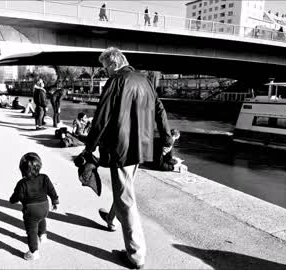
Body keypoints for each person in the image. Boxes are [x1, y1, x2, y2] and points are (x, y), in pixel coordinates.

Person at [79, 47, 172, 269]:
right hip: (142, 146)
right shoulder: (145, 80)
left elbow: (101, 117)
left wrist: (88, 148)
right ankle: (111, 219)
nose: (105, 73)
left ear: (113, 64)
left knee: (127, 199)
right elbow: (160, 109)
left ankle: (136, 254)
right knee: (125, 188)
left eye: (105, 68)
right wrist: (167, 138)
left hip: (121, 148)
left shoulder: (116, 81)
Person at [9, 152, 59, 261]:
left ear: (22, 169)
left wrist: (12, 200)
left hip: (31, 211)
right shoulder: (44, 178)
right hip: (45, 207)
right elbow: (51, 190)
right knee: (41, 219)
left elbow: (17, 196)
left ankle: (33, 252)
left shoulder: (22, 183)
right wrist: (55, 201)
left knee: (31, 231)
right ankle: (43, 235)